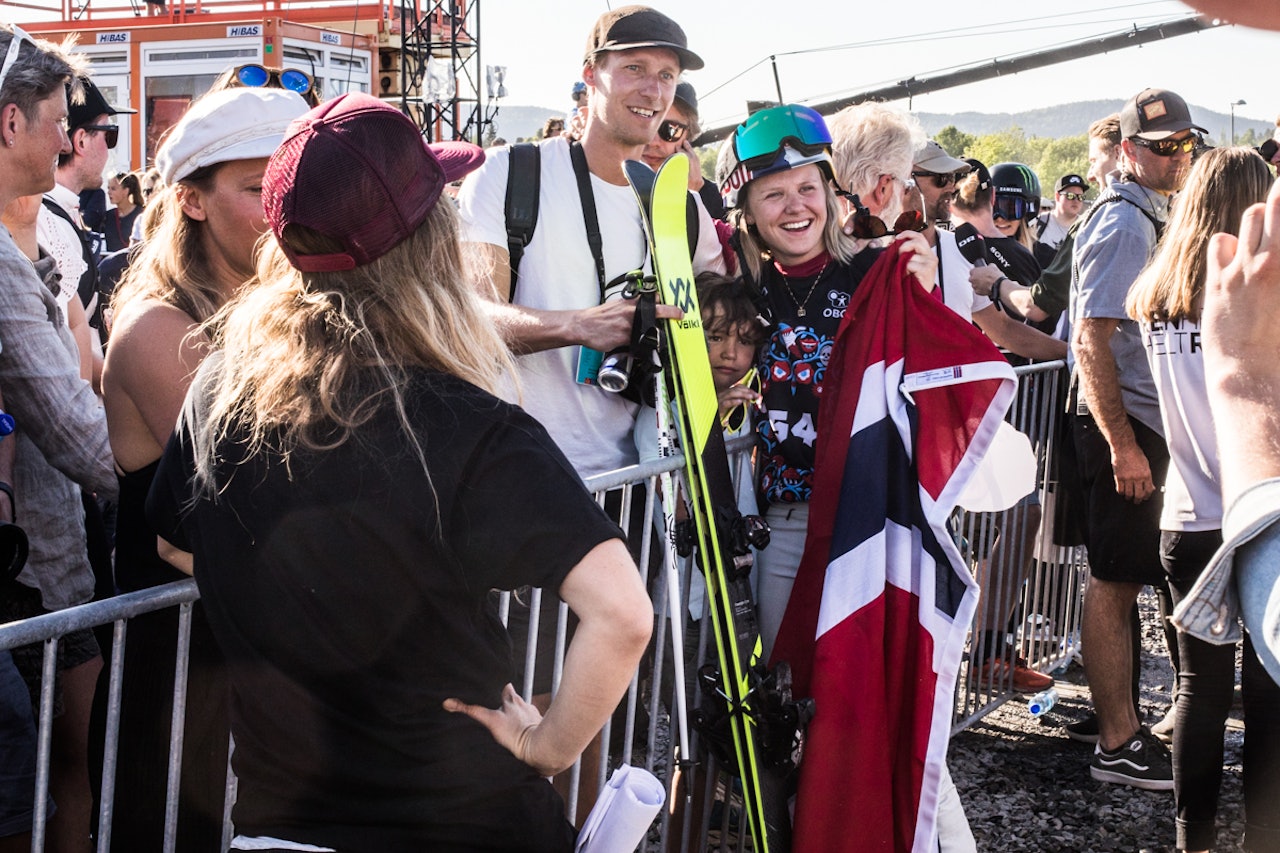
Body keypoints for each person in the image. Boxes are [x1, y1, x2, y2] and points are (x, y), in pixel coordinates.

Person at [145, 91, 652, 853]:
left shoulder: (219, 387)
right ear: (429, 242)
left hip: (279, 832)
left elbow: (176, 543)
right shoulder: (469, 427)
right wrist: (549, 746)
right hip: (464, 820)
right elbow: (623, 613)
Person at [93, 86, 311, 852]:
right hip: (184, 679)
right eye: (258, 189)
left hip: (266, 667)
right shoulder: (157, 324)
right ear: (189, 199)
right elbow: (255, 494)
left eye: (290, 183)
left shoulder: (284, 307)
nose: (283, 208)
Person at [1126, 145, 1280, 853]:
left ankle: (1195, 840)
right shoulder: (1253, 302)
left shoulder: (1156, 293)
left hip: (1186, 513)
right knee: (1272, 694)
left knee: (1199, 691)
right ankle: (1263, 836)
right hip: (1256, 512)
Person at [0, 24, 118, 851]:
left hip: (48, 559)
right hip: (31, 573)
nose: (66, 139)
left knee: (64, 774)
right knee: (39, 783)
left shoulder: (40, 239)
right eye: (54, 120)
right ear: (10, 124)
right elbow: (83, 434)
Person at [1069, 87, 1204, 791]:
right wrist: (1121, 441)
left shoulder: (1145, 211)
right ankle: (1116, 741)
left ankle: (1123, 729)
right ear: (1127, 150)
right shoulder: (1125, 221)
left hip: (1134, 419)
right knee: (1115, 580)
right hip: (1121, 421)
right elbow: (1093, 337)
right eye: (1161, 146)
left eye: (1185, 142)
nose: (1177, 156)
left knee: (1124, 578)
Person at [640, 81, 725, 219]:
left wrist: (690, 197)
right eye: (645, 126)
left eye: (671, 130)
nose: (653, 142)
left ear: (688, 136)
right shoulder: (604, 188)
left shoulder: (717, 202)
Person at [1034, 173, 1087, 267]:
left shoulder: (1086, 227)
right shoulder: (1039, 222)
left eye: (1080, 197)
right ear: (1057, 196)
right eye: (1070, 196)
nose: (1076, 200)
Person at [102, 171, 142, 252]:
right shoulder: (108, 216)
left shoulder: (140, 214)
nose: (109, 192)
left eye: (113, 188)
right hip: (113, 262)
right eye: (108, 188)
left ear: (125, 191)